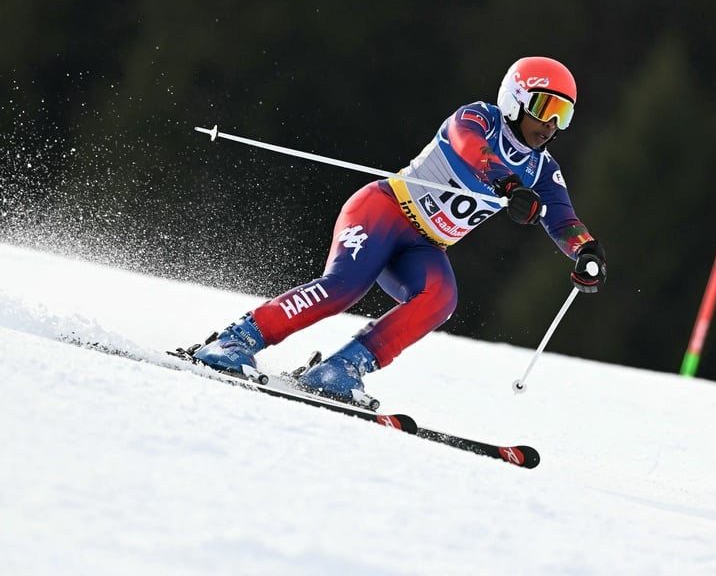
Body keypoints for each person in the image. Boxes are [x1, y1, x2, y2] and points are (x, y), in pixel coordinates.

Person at [190, 56, 607, 407]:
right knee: (344, 286)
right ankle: (235, 340)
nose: (552, 124)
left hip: (424, 244)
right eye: (544, 107)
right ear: (515, 99)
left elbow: (562, 218)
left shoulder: (543, 169)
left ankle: (341, 368)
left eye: (563, 115)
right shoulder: (479, 118)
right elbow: (468, 148)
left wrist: (586, 252)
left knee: (440, 299)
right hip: (384, 211)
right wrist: (510, 186)